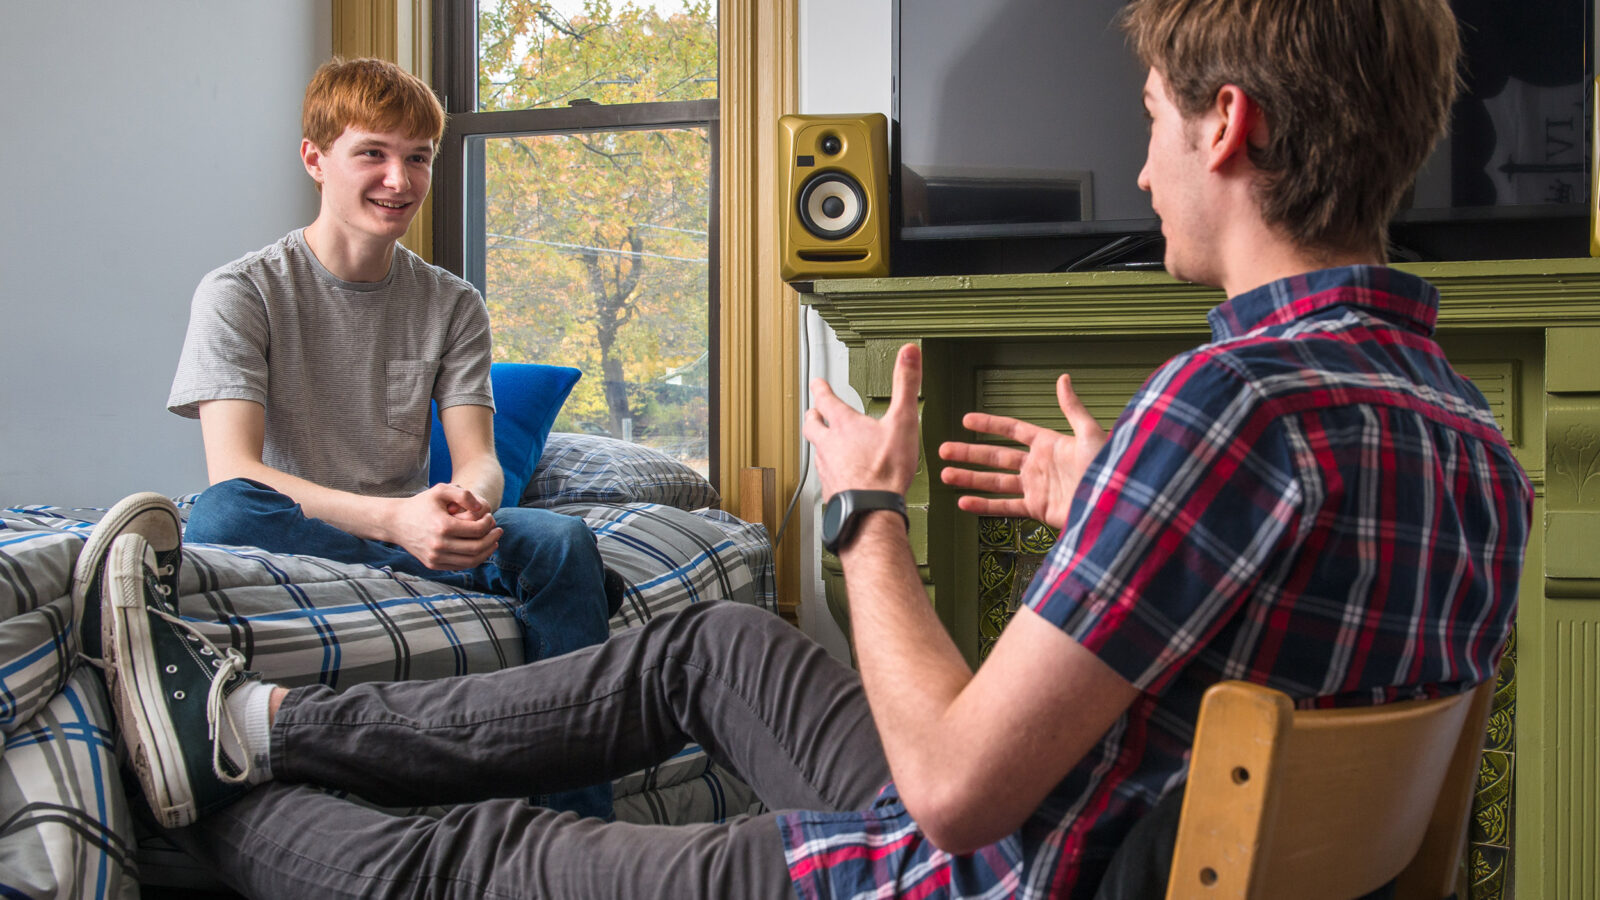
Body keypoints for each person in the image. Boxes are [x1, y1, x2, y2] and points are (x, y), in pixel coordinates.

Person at [87, 0, 1531, 896]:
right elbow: (1271, 673)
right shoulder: (1465, 436)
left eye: (1149, 123)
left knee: (471, 861)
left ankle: (187, 794)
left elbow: (961, 793)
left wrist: (866, 515)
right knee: (713, 643)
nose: (1143, 165)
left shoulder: (1229, 407)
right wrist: (1114, 504)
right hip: (1108, 834)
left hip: (996, 869)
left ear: (1228, 124)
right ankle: (261, 720)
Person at [74, 57, 620, 819]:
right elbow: (236, 468)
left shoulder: (452, 303)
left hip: (414, 532)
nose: (399, 179)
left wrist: (461, 506)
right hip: (297, 526)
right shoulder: (242, 291)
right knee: (222, 512)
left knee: (561, 543)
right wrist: (396, 521)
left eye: (418, 158)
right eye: (373, 153)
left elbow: (480, 460)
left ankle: (577, 825)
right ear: (315, 159)